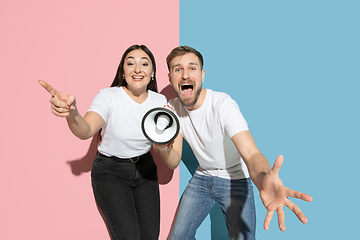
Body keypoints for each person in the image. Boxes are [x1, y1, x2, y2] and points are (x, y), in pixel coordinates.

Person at [153, 46, 313, 240]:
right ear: (170, 78)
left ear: (202, 75)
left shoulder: (223, 105)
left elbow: (252, 154)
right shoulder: (171, 109)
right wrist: (163, 148)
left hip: (235, 179)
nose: (185, 75)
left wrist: (263, 180)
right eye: (178, 69)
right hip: (202, 178)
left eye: (192, 68)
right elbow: (173, 161)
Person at [39, 44, 167, 240]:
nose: (137, 69)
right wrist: (72, 112)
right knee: (128, 236)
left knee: (150, 236)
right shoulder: (108, 96)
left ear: (152, 73)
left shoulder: (160, 102)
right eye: (130, 63)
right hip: (111, 172)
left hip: (145, 170)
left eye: (144, 63)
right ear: (123, 73)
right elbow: (86, 129)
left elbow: (168, 142)